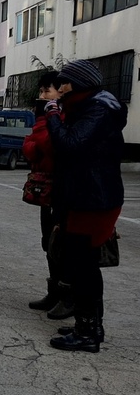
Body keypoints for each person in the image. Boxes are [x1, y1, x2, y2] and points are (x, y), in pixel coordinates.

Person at [44, 60, 126, 353]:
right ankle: (87, 324)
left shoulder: (99, 109)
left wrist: (53, 116)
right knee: (80, 264)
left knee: (84, 267)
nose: (59, 90)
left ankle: (88, 332)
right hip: (85, 197)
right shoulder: (87, 108)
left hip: (94, 199)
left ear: (78, 84)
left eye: (63, 83)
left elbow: (71, 144)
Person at [23, 71, 74, 319]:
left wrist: (39, 134)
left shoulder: (62, 116)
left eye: (47, 91)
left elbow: (46, 145)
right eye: (41, 91)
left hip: (62, 189)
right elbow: (30, 148)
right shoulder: (47, 116)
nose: (42, 96)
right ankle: (53, 292)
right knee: (48, 242)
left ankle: (67, 296)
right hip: (46, 191)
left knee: (61, 244)